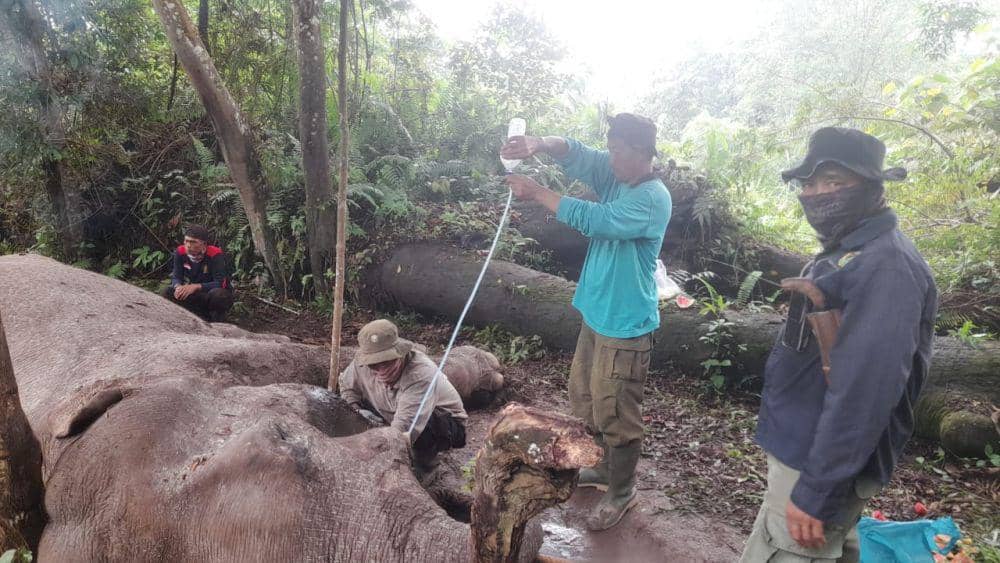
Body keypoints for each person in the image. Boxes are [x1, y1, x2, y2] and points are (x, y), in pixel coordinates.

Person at [740, 127, 937, 562]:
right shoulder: (850, 251)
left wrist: (817, 490)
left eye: (833, 181)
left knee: (787, 549)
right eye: (810, 184)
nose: (817, 194)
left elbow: (866, 391)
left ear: (871, 186)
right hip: (806, 443)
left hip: (816, 461)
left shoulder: (887, 267)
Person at [499, 113, 672, 531]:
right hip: (597, 315)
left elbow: (597, 220)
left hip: (625, 326)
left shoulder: (652, 198)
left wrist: (537, 192)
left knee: (617, 412)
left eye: (617, 151)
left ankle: (622, 491)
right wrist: (539, 143)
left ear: (641, 152)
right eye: (610, 149)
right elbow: (578, 154)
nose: (609, 158)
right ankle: (604, 468)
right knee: (587, 399)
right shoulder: (617, 176)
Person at [338, 319, 468, 472]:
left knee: (422, 433)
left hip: (440, 422)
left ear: (399, 353)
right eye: (373, 364)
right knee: (346, 409)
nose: (381, 370)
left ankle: (427, 465)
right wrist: (356, 410)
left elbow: (404, 427)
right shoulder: (360, 363)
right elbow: (347, 388)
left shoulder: (420, 373)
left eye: (386, 362)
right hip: (391, 413)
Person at [162, 225, 234, 322]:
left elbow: (220, 283)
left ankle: (216, 319)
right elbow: (176, 276)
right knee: (168, 291)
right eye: (186, 241)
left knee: (219, 295)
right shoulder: (180, 252)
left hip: (213, 294)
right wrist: (178, 286)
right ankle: (195, 316)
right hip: (197, 294)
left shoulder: (215, 254)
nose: (188, 245)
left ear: (204, 244)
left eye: (193, 242)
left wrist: (196, 286)